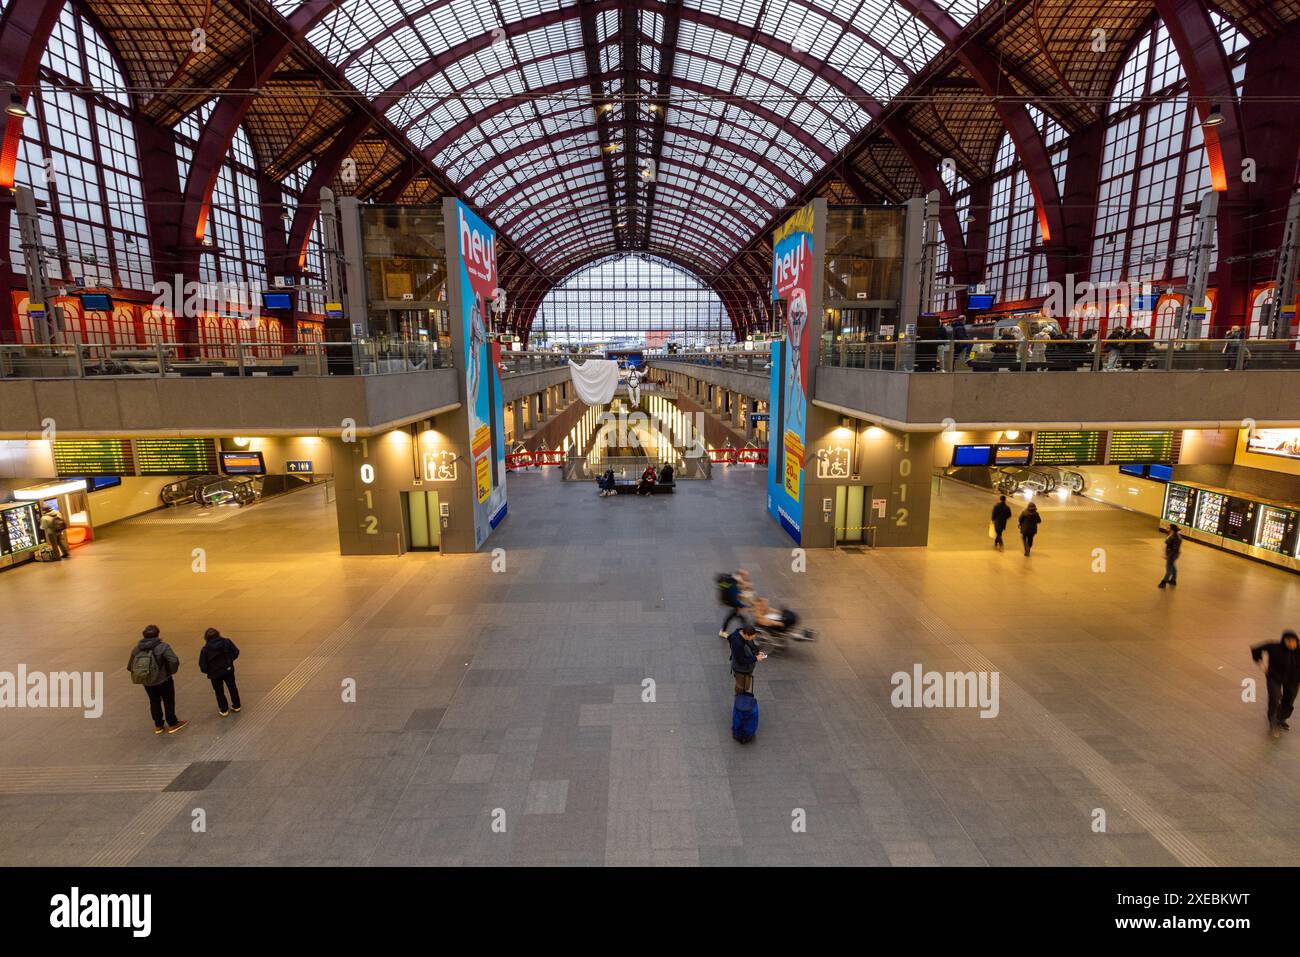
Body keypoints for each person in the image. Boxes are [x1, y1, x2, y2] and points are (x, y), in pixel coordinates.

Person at [127, 625, 187, 734]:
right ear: (157, 634)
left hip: (147, 682)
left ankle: (158, 725)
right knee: (168, 701)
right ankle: (172, 723)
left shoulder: (136, 649)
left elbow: (130, 666)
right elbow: (173, 660)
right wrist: (170, 672)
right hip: (163, 680)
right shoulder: (163, 647)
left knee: (154, 701)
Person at [1250, 630, 1300, 738]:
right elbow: (1255, 649)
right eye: (1288, 641)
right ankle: (1273, 721)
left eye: (1294, 642)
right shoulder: (1274, 647)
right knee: (1275, 697)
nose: (1291, 644)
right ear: (1284, 641)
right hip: (1275, 677)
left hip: (1293, 680)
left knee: (1289, 699)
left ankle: (1281, 718)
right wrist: (1261, 665)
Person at [198, 627, 242, 716]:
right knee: (232, 687)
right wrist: (230, 660)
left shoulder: (205, 650)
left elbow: (203, 665)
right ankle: (237, 705)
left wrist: (209, 671)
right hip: (228, 670)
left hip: (215, 674)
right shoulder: (227, 642)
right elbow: (236, 652)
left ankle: (224, 709)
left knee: (219, 691)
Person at [727, 618, 767, 695]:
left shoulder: (743, 632)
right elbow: (741, 660)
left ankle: (742, 695)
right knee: (741, 686)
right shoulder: (737, 644)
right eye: (751, 637)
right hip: (740, 669)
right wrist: (756, 658)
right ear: (746, 635)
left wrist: (757, 652)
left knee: (746, 686)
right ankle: (738, 699)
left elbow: (751, 644)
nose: (752, 639)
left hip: (746, 669)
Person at [718, 568, 752, 638]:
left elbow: (736, 593)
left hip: (733, 602)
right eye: (745, 576)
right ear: (740, 576)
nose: (746, 578)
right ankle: (723, 631)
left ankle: (723, 631)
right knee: (736, 615)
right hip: (731, 602)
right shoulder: (733, 585)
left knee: (735, 616)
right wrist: (743, 606)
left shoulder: (734, 579)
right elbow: (734, 600)